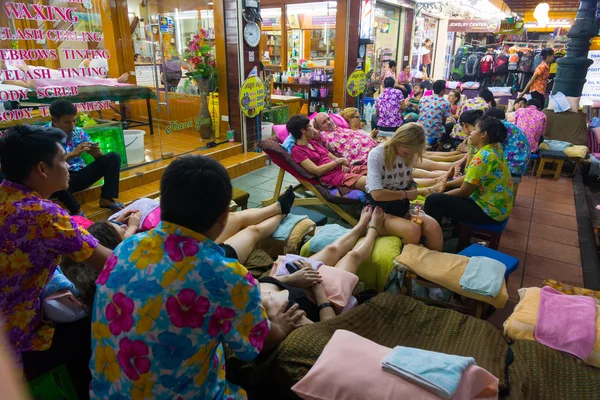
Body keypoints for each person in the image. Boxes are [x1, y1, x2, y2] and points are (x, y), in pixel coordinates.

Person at [89, 155, 304, 399]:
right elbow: (257, 345)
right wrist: (281, 326)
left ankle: (278, 209)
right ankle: (279, 210)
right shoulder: (226, 276)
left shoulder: (126, 248)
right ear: (224, 216)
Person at [0, 125, 112, 397]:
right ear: (42, 168)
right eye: (63, 160)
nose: (68, 166)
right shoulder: (43, 214)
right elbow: (112, 264)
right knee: (96, 326)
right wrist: (130, 232)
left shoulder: (7, 197)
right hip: (15, 339)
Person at [259, 206, 384, 323]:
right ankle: (373, 230)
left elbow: (261, 281)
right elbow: (327, 325)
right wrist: (317, 288)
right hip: (321, 295)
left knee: (331, 249)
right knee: (353, 256)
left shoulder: (246, 293)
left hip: (293, 276)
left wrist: (291, 278)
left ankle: (360, 227)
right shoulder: (274, 322)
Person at [366, 123, 444, 250]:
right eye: (406, 152)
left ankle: (431, 266)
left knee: (433, 227)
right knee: (412, 230)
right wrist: (406, 194)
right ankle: (408, 265)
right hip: (379, 212)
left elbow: (408, 178)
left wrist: (412, 186)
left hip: (401, 207)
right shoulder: (377, 155)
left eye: (412, 153)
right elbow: (376, 194)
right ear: (398, 141)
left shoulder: (409, 154)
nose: (408, 156)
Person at [425, 116, 514, 227]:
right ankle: (454, 228)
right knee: (448, 187)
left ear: (483, 134)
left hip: (489, 212)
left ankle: (434, 235)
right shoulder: (496, 148)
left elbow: (464, 192)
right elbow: (470, 178)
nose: (471, 133)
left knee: (433, 200)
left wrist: (441, 193)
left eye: (475, 129)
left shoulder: (483, 157)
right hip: (499, 208)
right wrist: (446, 184)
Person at [49, 100, 123, 215]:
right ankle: (76, 210)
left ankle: (107, 198)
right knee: (52, 174)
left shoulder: (78, 132)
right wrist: (72, 154)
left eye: (74, 121)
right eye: (67, 122)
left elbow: (100, 159)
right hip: (60, 184)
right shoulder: (43, 136)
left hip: (78, 176)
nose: (72, 126)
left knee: (113, 157)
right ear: (54, 120)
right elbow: (46, 167)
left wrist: (97, 152)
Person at [289, 115, 367, 190]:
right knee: (372, 182)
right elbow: (317, 171)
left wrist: (342, 163)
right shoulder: (297, 150)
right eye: (309, 126)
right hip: (333, 176)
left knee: (374, 171)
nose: (312, 129)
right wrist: (339, 161)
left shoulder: (313, 143)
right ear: (303, 130)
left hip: (343, 169)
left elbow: (337, 159)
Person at [484, 108, 530, 196]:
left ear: (493, 119)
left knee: (484, 165)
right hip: (520, 162)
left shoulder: (501, 127)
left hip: (514, 164)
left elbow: (494, 146)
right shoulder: (508, 125)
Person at [418, 79, 451, 146]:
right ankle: (440, 147)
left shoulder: (423, 98)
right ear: (443, 91)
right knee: (449, 126)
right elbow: (443, 121)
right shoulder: (446, 103)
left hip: (419, 130)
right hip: (434, 134)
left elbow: (421, 113)